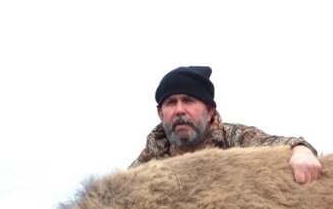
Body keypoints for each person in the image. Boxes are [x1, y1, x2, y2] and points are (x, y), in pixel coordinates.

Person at [131, 66, 322, 184]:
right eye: (171, 102)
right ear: (160, 112)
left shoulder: (234, 137)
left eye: (188, 100)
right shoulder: (150, 157)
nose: (179, 110)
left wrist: (301, 151)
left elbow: (285, 143)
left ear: (209, 110)